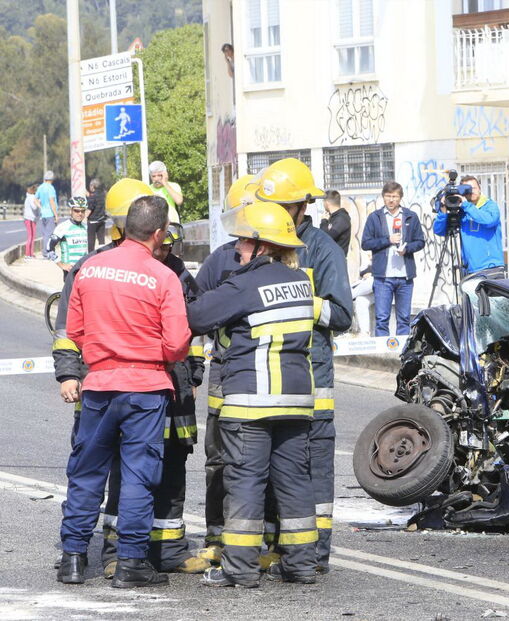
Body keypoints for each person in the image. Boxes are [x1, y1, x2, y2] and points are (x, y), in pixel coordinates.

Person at [58, 193, 191, 588]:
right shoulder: (164, 277)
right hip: (146, 389)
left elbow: (76, 332)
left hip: (98, 386)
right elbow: (177, 344)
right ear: (159, 232)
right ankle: (131, 563)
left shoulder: (90, 269)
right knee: (138, 476)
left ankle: (73, 559)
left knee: (86, 472)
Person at [187, 201, 319, 588]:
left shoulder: (245, 284)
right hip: (296, 402)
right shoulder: (301, 282)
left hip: (251, 401)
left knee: (245, 483)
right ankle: (301, 566)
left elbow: (196, 317)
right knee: (294, 484)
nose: (237, 249)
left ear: (262, 245)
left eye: (243, 242)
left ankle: (240, 569)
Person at [250, 158, 353, 574]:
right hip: (274, 376)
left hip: (313, 380)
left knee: (312, 468)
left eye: (281, 207)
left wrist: (298, 301)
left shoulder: (322, 249)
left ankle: (315, 551)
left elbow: (343, 316)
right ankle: (283, 548)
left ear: (301, 207)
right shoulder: (268, 245)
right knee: (278, 469)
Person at [97, 223, 211, 578]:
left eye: (166, 248)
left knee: (174, 464)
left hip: (174, 387)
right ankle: (117, 552)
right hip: (136, 385)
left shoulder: (178, 274)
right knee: (129, 469)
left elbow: (193, 329)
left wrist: (193, 374)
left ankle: (169, 549)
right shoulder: (108, 267)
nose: (160, 252)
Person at [192, 174, 257, 560]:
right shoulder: (220, 261)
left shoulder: (285, 261)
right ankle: (217, 535)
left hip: (266, 375)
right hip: (225, 375)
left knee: (264, 458)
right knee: (219, 456)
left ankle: (267, 534)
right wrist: (195, 371)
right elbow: (193, 314)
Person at [361, 182, 425, 336]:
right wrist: (387, 239)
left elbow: (420, 241)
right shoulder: (375, 217)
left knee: (404, 318)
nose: (391, 200)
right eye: (388, 196)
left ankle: (403, 356)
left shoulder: (410, 216)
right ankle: (381, 357)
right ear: (383, 197)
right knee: (382, 318)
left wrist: (407, 248)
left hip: (405, 277)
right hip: (383, 277)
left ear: (400, 198)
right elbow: (365, 243)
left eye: (394, 197)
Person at [432, 175, 505, 282]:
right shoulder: (462, 211)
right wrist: (443, 211)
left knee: (490, 299)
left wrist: (466, 205)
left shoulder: (490, 206)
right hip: (469, 271)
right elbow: (439, 230)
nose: (471, 191)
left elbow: (489, 220)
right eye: (467, 189)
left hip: (491, 269)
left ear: (480, 189)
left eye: (474, 188)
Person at [47, 197, 89, 280]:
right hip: (70, 270)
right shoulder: (63, 227)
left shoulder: (86, 227)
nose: (80, 213)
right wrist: (62, 265)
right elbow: (49, 248)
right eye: (76, 211)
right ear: (71, 211)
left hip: (84, 270)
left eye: (82, 211)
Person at [320, 190, 351, 256]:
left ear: (327, 203)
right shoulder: (332, 217)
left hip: (337, 261)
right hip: (331, 259)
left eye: (323, 201)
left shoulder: (341, 218)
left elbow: (326, 238)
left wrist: (324, 222)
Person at [37, 170, 59, 259]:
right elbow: (51, 201)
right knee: (49, 234)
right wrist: (56, 214)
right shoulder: (50, 188)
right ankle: (47, 253)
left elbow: (35, 199)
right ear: (52, 179)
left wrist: (41, 207)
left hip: (43, 214)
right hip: (50, 213)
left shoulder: (40, 187)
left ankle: (45, 252)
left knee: (45, 234)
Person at [86, 179, 107, 251]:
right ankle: (102, 253)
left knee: (91, 240)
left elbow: (89, 209)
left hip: (93, 221)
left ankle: (90, 255)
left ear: (93, 186)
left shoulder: (93, 197)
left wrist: (83, 218)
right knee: (101, 240)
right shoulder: (103, 195)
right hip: (102, 220)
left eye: (90, 186)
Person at [22, 183, 40, 259]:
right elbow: (34, 207)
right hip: (29, 219)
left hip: (32, 218)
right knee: (30, 236)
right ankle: (27, 254)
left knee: (33, 236)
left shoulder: (31, 197)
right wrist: (39, 202)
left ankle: (31, 253)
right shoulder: (32, 197)